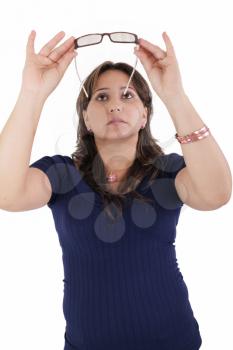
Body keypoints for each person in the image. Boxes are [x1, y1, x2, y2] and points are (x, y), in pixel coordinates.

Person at [0, 30, 231, 350]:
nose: (115, 106)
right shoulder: (62, 174)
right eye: (101, 97)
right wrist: (32, 93)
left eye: (127, 95)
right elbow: (6, 193)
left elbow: (216, 194)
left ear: (144, 114)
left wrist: (174, 95)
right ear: (86, 117)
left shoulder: (168, 172)